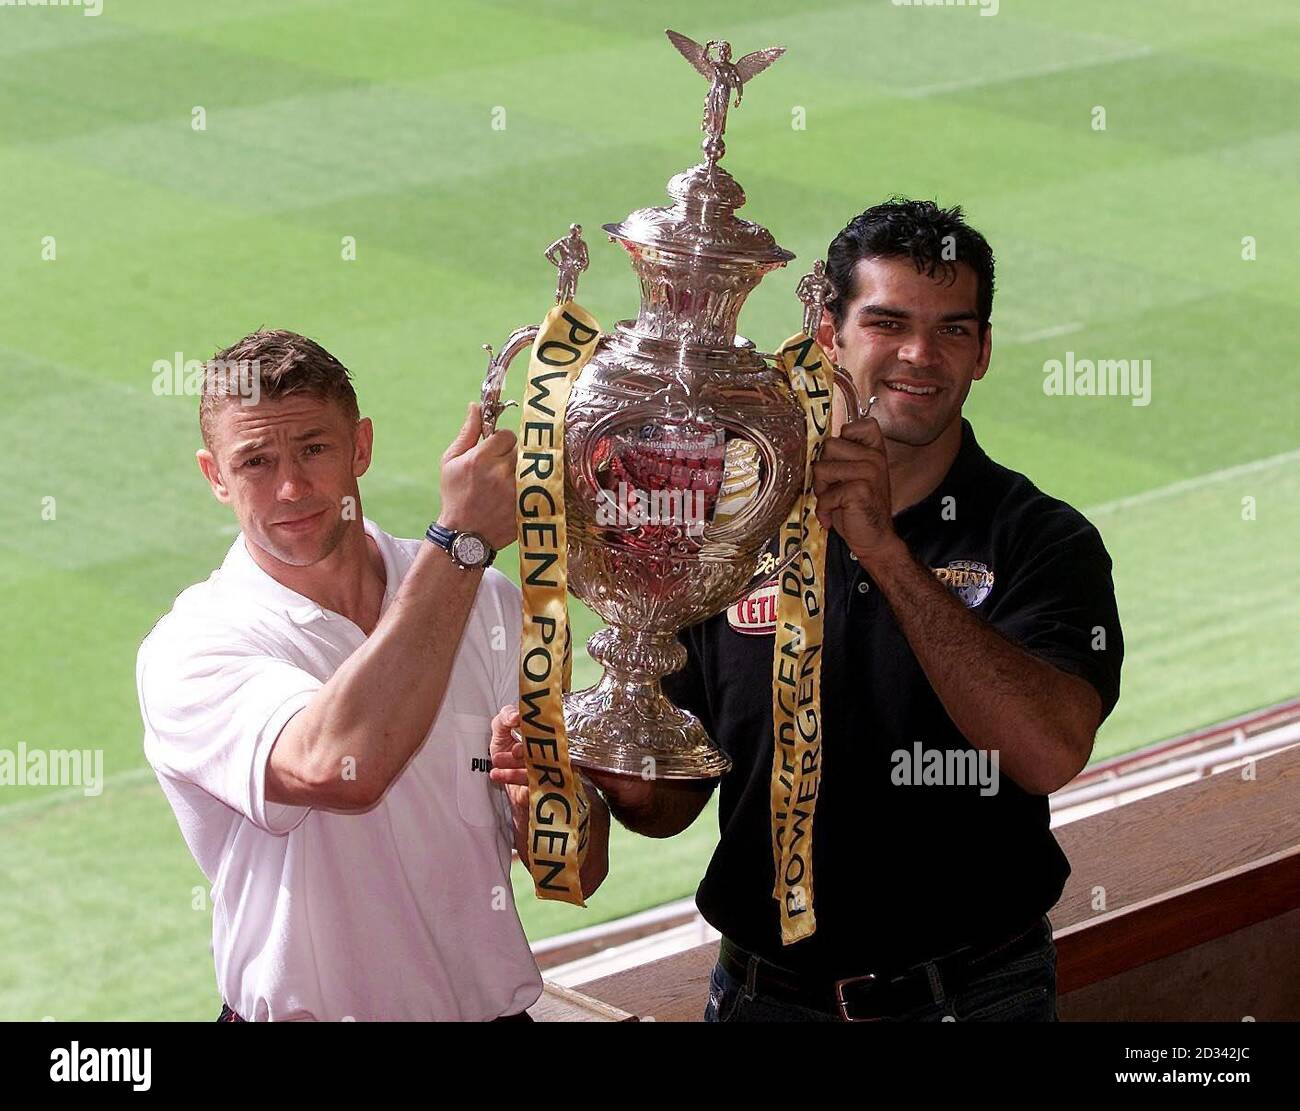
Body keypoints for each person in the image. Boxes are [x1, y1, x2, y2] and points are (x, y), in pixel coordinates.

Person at [584, 199, 1123, 1022]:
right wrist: (607, 764)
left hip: (974, 996)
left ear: (982, 352)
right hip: (764, 998)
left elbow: (1047, 752)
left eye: (953, 329)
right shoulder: (735, 519)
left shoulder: (1042, 539)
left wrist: (885, 552)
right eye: (888, 322)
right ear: (829, 335)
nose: (920, 354)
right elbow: (673, 802)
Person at [136, 329, 608, 1021]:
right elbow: (341, 767)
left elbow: (574, 869)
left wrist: (544, 798)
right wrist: (465, 541)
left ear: (361, 445)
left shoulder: (489, 601)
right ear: (215, 475)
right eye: (256, 461)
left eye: (314, 449)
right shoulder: (193, 645)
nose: (291, 486)